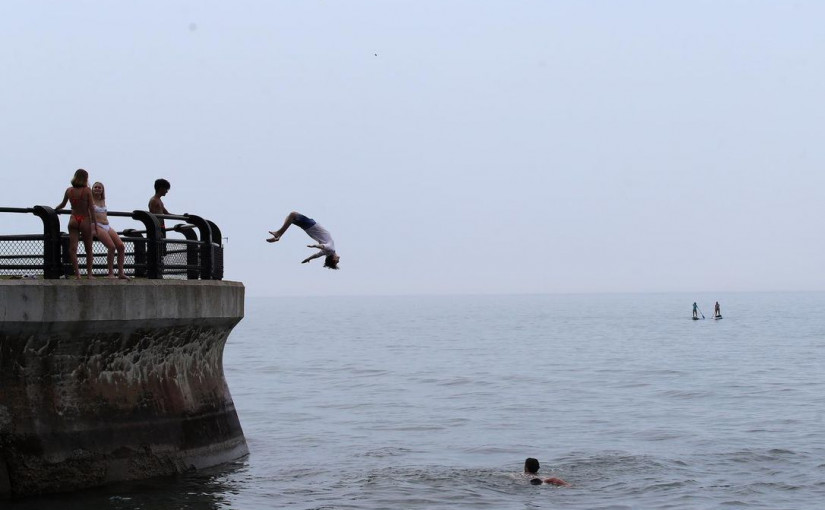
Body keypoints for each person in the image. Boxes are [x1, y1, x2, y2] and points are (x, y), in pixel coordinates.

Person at [55, 169, 96, 279]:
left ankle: (77, 274)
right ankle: (89, 274)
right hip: (85, 219)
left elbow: (63, 204)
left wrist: (55, 209)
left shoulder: (69, 191)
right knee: (89, 249)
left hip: (73, 219)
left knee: (73, 249)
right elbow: (91, 208)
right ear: (86, 178)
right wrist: (95, 224)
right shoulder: (87, 190)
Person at [266, 211, 340, 269]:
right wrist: (308, 259)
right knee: (290, 218)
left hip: (313, 226)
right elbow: (316, 255)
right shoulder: (327, 253)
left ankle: (278, 234)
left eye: (336, 262)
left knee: (292, 214)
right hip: (310, 229)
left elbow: (324, 246)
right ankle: (278, 235)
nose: (338, 260)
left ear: (333, 260)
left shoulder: (331, 249)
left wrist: (314, 246)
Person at [92, 182, 130, 280]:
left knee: (121, 246)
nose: (97, 189)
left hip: (106, 225)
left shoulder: (103, 200)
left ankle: (121, 273)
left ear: (102, 190)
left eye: (99, 187)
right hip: (96, 225)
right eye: (95, 187)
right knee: (111, 247)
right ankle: (110, 273)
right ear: (92, 189)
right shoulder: (90, 200)